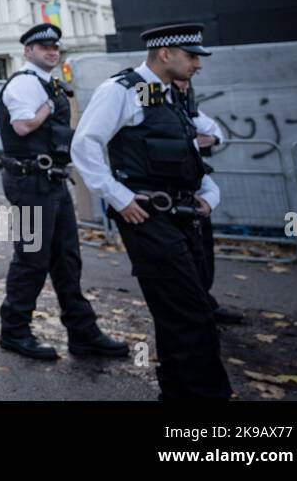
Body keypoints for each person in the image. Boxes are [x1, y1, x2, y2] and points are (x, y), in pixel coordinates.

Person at [70, 23, 233, 399]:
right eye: (191, 56)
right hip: (149, 217)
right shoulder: (121, 90)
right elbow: (86, 145)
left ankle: (177, 393)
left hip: (184, 216)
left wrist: (209, 192)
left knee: (180, 314)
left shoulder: (165, 94)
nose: (198, 65)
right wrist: (119, 197)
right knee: (192, 316)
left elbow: (191, 147)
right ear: (165, 54)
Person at [0, 23, 128, 360]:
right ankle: (14, 331)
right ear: (28, 52)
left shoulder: (46, 82)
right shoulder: (25, 83)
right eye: (43, 48)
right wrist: (48, 108)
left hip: (51, 181)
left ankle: (82, 333)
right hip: (29, 182)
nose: (52, 52)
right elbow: (23, 125)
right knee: (32, 258)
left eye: (55, 48)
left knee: (67, 260)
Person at [173, 77, 243, 325]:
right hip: (43, 196)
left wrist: (200, 141)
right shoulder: (146, 98)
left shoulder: (181, 108)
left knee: (202, 255)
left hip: (50, 195)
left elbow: (215, 132)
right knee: (43, 253)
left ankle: (203, 305)